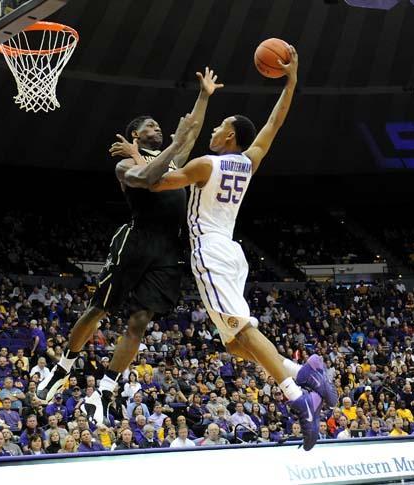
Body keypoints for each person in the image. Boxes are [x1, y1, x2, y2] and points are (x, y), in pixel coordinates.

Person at [116, 48, 335, 452]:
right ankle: (306, 372)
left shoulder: (205, 165)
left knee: (244, 332)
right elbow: (274, 122)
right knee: (233, 343)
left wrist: (137, 157)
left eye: (218, 126)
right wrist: (291, 81)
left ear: (229, 136)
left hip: (211, 254)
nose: (213, 130)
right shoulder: (248, 161)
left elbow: (153, 183)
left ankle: (298, 398)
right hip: (232, 252)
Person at [37, 69, 223, 418]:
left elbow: (190, 133)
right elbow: (150, 179)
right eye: (151, 126)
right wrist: (172, 144)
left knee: (139, 321)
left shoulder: (171, 158)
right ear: (135, 136)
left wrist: (204, 96)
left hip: (169, 248)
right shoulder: (125, 163)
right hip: (136, 240)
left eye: (159, 126)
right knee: (100, 309)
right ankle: (62, 368)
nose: (158, 128)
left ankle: (105, 390)